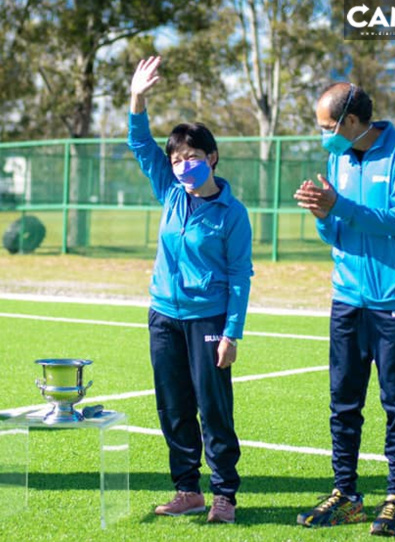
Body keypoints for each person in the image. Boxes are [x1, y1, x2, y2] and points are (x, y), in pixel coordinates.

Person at [293, 82, 395, 537]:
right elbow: (336, 233)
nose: (323, 136)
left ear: (351, 121)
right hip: (347, 297)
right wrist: (323, 215)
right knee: (343, 402)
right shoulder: (338, 157)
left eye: (327, 127)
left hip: (394, 300)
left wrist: (340, 206)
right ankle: (346, 495)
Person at [128, 56, 253, 524]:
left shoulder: (231, 213)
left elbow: (241, 276)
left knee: (213, 409)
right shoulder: (171, 192)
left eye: (192, 157)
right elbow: (139, 143)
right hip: (163, 315)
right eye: (177, 159)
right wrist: (137, 97)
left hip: (207, 318)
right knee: (173, 406)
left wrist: (231, 333)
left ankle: (224, 495)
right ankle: (187, 489)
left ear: (212, 157)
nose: (183, 166)